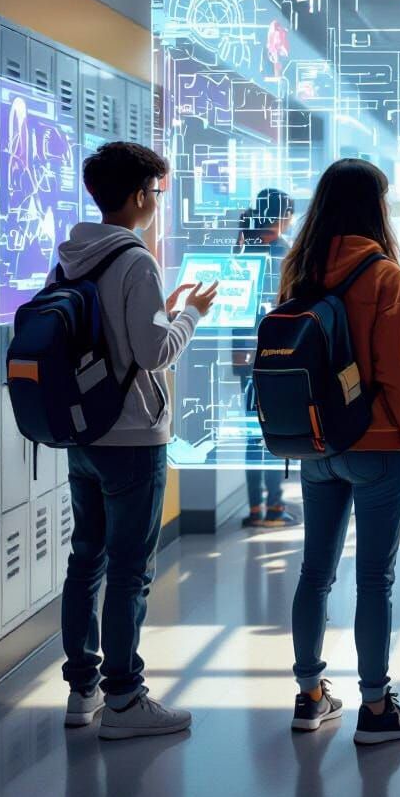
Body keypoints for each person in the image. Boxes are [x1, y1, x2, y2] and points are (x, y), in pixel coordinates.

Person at [59, 142, 217, 739]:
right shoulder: (137, 260)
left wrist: (165, 310)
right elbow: (154, 353)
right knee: (130, 571)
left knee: (86, 560)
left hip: (86, 432)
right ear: (137, 196)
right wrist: (191, 314)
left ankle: (83, 692)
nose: (158, 203)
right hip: (133, 438)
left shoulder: (74, 256)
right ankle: (125, 701)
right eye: (157, 192)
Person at [280, 159, 400, 744]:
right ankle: (374, 708)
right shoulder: (383, 274)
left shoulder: (301, 270)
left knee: (314, 572)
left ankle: (310, 695)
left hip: (318, 444)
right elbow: (399, 374)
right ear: (374, 207)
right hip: (376, 448)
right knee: (374, 578)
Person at [233, 188, 298, 528]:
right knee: (271, 430)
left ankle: (256, 508)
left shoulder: (243, 247)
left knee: (251, 433)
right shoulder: (282, 253)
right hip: (276, 352)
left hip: (245, 353)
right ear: (283, 217)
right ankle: (273, 508)